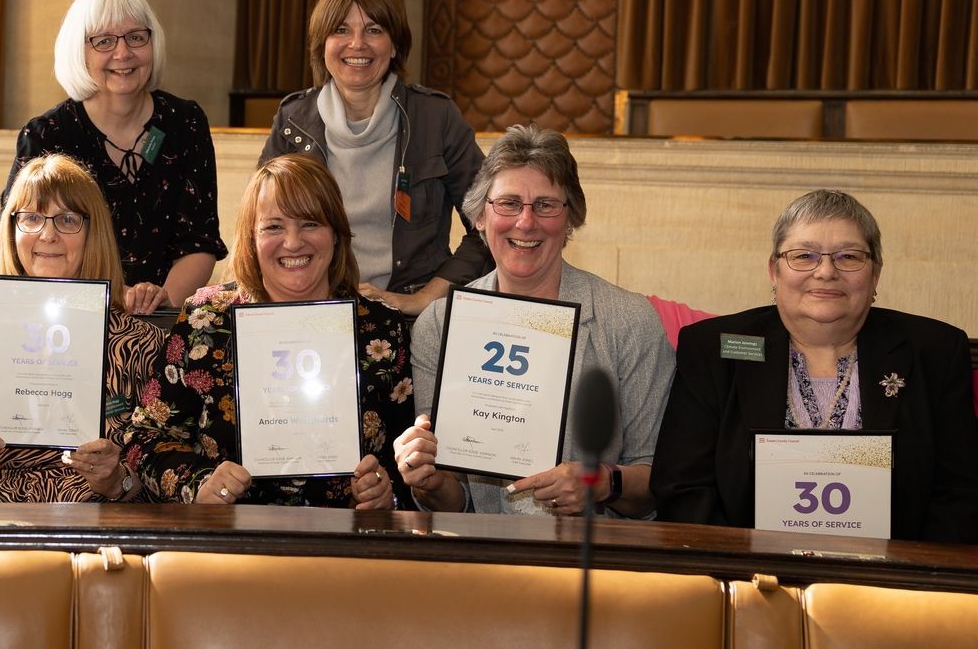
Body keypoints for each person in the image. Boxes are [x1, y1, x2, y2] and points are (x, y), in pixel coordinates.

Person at [651, 190, 978, 542]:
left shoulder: (933, 350)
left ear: (875, 274)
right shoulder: (714, 348)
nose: (825, 272)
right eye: (803, 256)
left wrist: (904, 580)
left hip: (894, 583)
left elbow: (961, 493)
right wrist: (746, 571)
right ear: (773, 271)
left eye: (848, 256)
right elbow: (683, 487)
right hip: (747, 579)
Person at [397, 124, 673, 517]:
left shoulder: (628, 321)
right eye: (508, 203)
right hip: (484, 558)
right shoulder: (440, 325)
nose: (526, 223)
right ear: (478, 217)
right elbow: (454, 503)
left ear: (570, 219)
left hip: (593, 560)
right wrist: (427, 478)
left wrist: (599, 483)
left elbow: (658, 482)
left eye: (546, 205)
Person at [127, 153, 413, 508]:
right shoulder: (206, 320)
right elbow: (146, 436)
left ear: (337, 234)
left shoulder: (380, 330)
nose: (293, 243)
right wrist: (197, 484)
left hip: (343, 546)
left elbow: (409, 461)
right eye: (274, 227)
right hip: (233, 544)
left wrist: (387, 492)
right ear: (252, 237)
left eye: (310, 223)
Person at [0, 154, 163, 502]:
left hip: (97, 536)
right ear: (12, 231)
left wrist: (117, 482)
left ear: (94, 233)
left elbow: (169, 485)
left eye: (67, 219)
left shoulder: (141, 346)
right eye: (31, 218)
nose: (48, 234)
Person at [259, 0, 491, 316]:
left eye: (374, 30)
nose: (357, 44)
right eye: (341, 30)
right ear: (321, 44)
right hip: (314, 310)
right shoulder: (293, 120)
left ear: (394, 45)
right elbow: (259, 224)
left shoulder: (435, 117)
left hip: (409, 319)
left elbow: (491, 224)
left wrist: (425, 299)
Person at [5, 0, 226, 314]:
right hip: (73, 317)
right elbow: (22, 244)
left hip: (166, 318)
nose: (123, 53)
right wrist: (113, 299)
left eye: (136, 37)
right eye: (104, 41)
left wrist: (159, 304)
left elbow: (199, 240)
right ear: (79, 51)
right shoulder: (47, 135)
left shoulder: (186, 122)